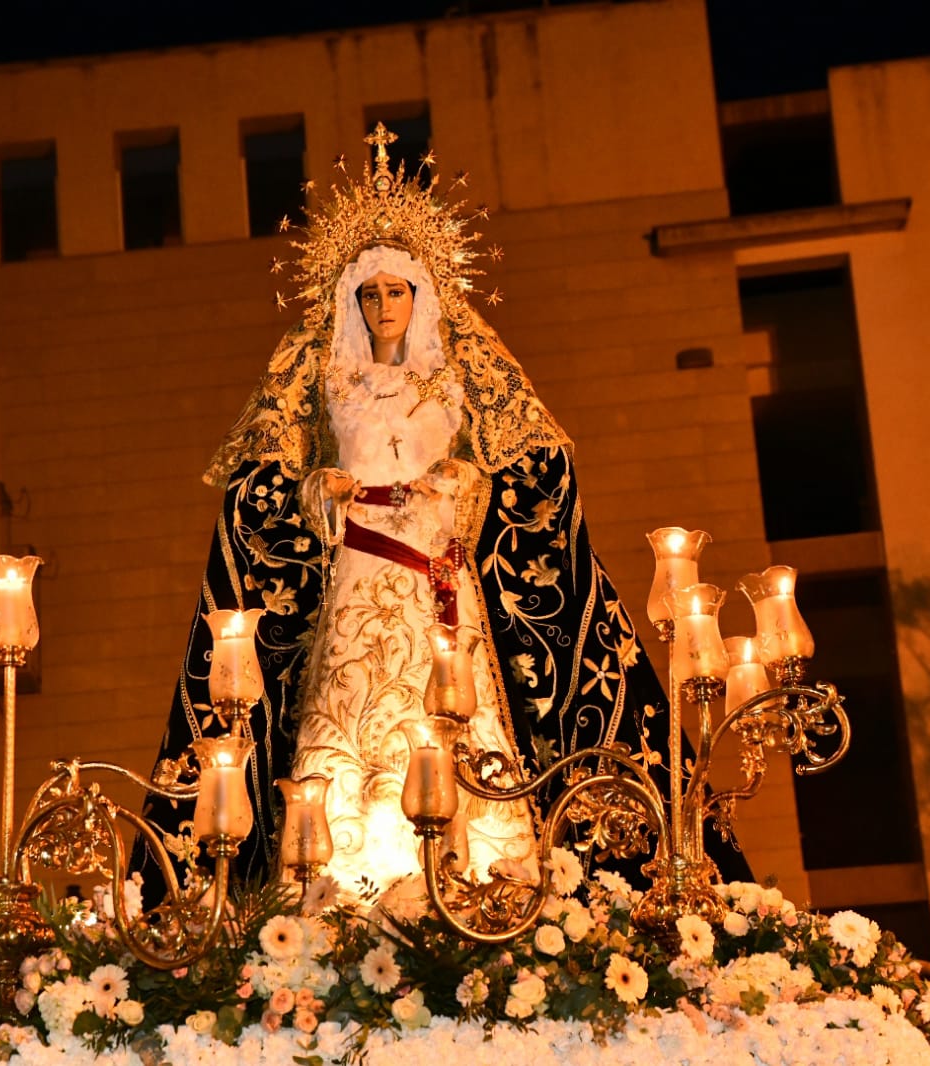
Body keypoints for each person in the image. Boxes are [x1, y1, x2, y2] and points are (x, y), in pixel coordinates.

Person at [140, 126, 749, 897]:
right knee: (344, 717)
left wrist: (469, 483)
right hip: (358, 572)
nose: (384, 306)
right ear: (349, 302)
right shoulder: (325, 383)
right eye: (370, 294)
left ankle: (487, 872)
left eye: (397, 292)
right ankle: (329, 880)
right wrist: (312, 493)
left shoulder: (459, 379)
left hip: (440, 577)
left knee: (459, 710)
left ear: (423, 297)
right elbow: (257, 486)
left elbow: (542, 461)